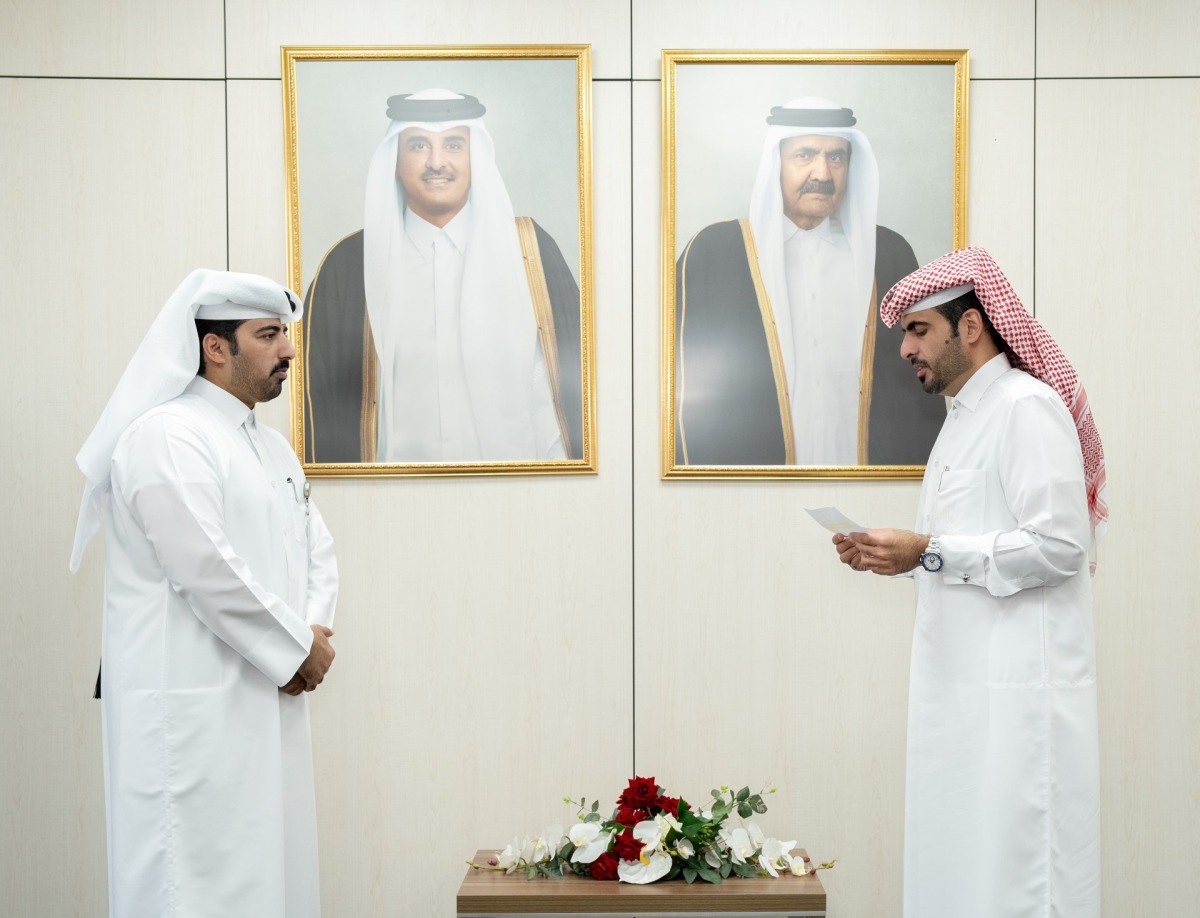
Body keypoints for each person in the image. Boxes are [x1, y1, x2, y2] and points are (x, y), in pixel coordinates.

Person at [832, 247, 1108, 917]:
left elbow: (1060, 545)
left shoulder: (1025, 407)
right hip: (962, 703)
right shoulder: (962, 423)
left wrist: (928, 550)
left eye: (919, 329)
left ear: (974, 325)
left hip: (1016, 711)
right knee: (958, 878)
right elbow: (961, 550)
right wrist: (901, 554)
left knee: (1017, 886)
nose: (905, 350)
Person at [69, 269, 340, 918]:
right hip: (189, 712)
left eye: (285, 334)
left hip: (267, 697)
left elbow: (316, 551)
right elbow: (204, 566)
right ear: (215, 347)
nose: (289, 352)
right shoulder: (167, 435)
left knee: (268, 874)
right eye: (269, 335)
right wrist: (295, 648)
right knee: (191, 884)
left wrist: (313, 632)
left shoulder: (271, 447)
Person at [302, 88, 583, 463]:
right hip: (388, 497)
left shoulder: (529, 252)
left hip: (515, 490)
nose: (437, 162)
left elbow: (562, 393)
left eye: (453, 145)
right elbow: (319, 403)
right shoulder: (349, 267)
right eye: (419, 146)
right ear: (396, 162)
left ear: (475, 158)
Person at [675, 96, 946, 465]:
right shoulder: (714, 253)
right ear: (776, 164)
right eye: (804, 155)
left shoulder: (890, 253)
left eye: (836, 157)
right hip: (754, 487)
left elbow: (919, 384)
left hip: (865, 482)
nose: (822, 173)